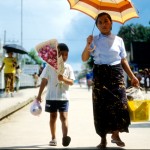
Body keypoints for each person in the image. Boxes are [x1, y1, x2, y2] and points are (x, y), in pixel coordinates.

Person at [82, 12, 139, 149]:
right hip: (100, 74)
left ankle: (116, 134)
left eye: (106, 21)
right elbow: (84, 58)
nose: (103, 24)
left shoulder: (119, 40)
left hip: (116, 74)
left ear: (111, 22)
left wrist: (132, 77)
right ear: (96, 26)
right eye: (100, 22)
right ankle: (103, 139)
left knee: (120, 104)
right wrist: (88, 44)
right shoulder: (93, 40)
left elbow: (123, 60)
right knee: (101, 107)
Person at [36, 43, 75, 147]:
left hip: (63, 98)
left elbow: (71, 82)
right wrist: (39, 95)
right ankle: (53, 138)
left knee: (64, 117)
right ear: (57, 54)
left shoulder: (68, 67)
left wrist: (63, 79)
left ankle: (65, 137)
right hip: (51, 97)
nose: (64, 57)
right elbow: (44, 81)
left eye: (66, 55)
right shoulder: (49, 67)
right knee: (53, 117)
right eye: (62, 54)